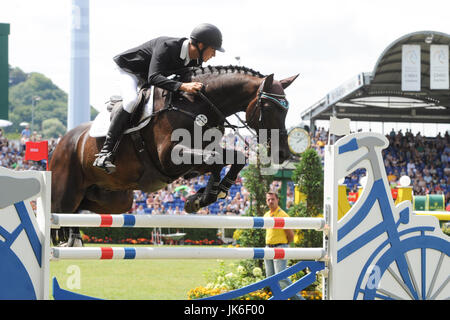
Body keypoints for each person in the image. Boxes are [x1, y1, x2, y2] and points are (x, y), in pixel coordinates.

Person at [93, 23, 225, 173]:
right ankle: (105, 153)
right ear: (201, 45)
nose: (214, 55)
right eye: (213, 50)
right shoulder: (167, 46)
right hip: (129, 70)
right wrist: (183, 86)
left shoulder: (196, 60)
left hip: (147, 77)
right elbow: (154, 77)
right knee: (130, 101)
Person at [264, 192, 304, 300]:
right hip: (268, 248)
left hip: (280, 247)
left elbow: (290, 235)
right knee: (270, 278)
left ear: (277, 200)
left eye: (272, 199)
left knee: (282, 278)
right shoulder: (266, 215)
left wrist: (284, 246)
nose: (271, 201)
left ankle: (300, 299)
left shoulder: (283, 215)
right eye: (268, 199)